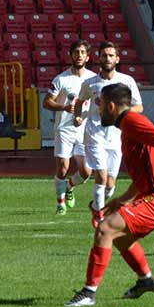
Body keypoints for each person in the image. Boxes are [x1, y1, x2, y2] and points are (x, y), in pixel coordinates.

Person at [65, 83, 154, 307]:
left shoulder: (132, 121)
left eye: (100, 103)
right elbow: (144, 175)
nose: (98, 108)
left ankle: (88, 293)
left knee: (106, 229)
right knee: (119, 236)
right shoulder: (128, 127)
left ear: (111, 106)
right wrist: (122, 199)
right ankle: (146, 280)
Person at [73, 41, 143, 227]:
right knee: (101, 177)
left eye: (111, 55)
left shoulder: (126, 81)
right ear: (99, 58)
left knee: (111, 183)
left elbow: (139, 106)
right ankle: (100, 216)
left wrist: (122, 113)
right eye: (104, 55)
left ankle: (96, 206)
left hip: (117, 137)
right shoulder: (90, 84)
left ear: (117, 59)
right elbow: (79, 102)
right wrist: (77, 117)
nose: (107, 59)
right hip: (95, 134)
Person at [42, 40, 95, 215]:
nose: (79, 55)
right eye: (76, 52)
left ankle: (70, 187)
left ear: (88, 56)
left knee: (86, 172)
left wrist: (86, 118)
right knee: (63, 167)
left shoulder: (94, 79)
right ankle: (61, 204)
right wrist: (63, 107)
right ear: (70, 55)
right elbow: (47, 102)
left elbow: (97, 105)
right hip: (64, 128)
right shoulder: (61, 79)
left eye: (82, 52)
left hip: (85, 130)